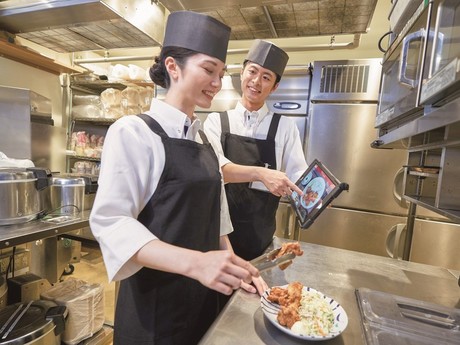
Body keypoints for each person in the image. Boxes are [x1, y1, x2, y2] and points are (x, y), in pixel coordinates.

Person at [89, 11, 265, 345]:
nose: (217, 83)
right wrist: (197, 263)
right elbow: (112, 222)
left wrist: (231, 264)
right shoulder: (133, 132)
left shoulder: (206, 139)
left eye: (221, 73)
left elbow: (217, 216)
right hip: (155, 307)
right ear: (173, 66)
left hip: (203, 298)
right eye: (208, 70)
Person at [204, 39, 308, 261]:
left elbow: (298, 174)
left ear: (275, 86)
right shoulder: (215, 122)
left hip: (260, 239)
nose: (256, 81)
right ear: (242, 73)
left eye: (266, 77)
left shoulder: (285, 128)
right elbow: (215, 171)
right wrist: (261, 173)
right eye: (252, 71)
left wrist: (314, 193)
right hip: (217, 236)